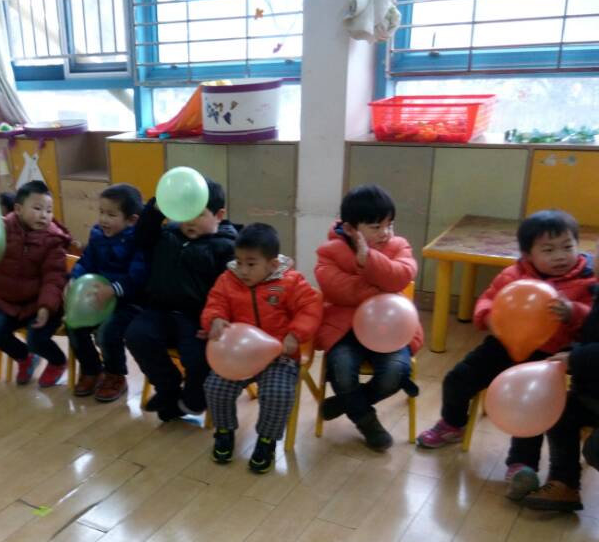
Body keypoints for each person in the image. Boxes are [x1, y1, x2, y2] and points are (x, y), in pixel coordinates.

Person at [419, 210, 595, 499]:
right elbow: (487, 300)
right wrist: (488, 317)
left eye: (568, 246)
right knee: (457, 378)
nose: (561, 256)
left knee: (530, 405)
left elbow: (592, 324)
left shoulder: (586, 282)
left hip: (550, 357)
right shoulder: (514, 274)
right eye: (548, 250)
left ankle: (521, 465)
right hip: (504, 344)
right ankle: (453, 423)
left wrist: (573, 312)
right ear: (527, 254)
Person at [202, 223, 322, 471]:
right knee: (215, 386)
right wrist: (215, 319)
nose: (243, 270)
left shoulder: (291, 282)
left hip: (278, 355)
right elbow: (215, 303)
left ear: (272, 264)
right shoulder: (228, 280)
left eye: (251, 264)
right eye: (239, 262)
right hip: (238, 356)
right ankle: (224, 431)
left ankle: (267, 440)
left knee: (278, 394)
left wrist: (295, 334)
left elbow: (310, 308)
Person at [314, 184, 422, 451]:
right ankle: (367, 422)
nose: (385, 233)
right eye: (376, 227)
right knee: (340, 370)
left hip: (390, 330)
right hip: (344, 329)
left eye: (389, 224)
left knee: (395, 372)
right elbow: (337, 289)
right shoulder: (329, 251)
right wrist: (381, 284)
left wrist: (369, 259)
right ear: (351, 228)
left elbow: (402, 275)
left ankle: (344, 403)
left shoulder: (399, 246)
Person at [125, 178, 237, 421]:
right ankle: (168, 387)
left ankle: (192, 403)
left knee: (198, 359)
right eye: (185, 213)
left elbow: (232, 293)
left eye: (199, 214)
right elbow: (142, 236)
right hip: (160, 310)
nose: (190, 221)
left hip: (197, 318)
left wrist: (218, 318)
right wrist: (157, 207)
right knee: (136, 335)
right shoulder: (169, 233)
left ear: (219, 215)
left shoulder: (226, 248)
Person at [0, 181, 72, 388]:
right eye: (38, 208)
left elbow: (54, 278)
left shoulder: (53, 241)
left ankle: (58, 362)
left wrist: (46, 307)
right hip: (10, 303)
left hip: (40, 305)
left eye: (49, 210)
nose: (44, 215)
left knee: (36, 339)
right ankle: (25, 358)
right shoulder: (3, 230)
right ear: (18, 209)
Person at [67, 183, 145, 402]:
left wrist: (113, 290)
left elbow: (137, 277)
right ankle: (92, 370)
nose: (103, 219)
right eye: (101, 212)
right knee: (74, 325)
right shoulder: (98, 235)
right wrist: (74, 278)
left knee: (107, 333)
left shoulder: (138, 241)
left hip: (129, 303)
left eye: (111, 214)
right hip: (98, 297)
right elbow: (86, 261)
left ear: (132, 220)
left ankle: (115, 375)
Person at [526, 290, 599, 512]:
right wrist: (571, 351)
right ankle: (564, 483)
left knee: (596, 450)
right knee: (559, 411)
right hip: (591, 395)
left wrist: (576, 358)